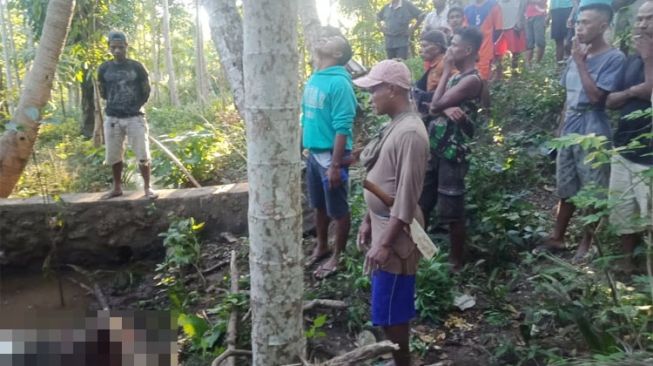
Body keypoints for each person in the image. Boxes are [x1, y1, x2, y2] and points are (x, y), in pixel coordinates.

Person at [354, 59, 429, 366]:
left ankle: (404, 361)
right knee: (385, 307)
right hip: (383, 226)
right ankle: (398, 357)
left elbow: (407, 198)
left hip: (396, 237)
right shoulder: (395, 125)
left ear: (394, 90)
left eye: (375, 90)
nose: (370, 97)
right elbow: (381, 179)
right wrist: (366, 220)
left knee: (391, 308)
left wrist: (385, 243)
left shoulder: (410, 133)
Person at [539, 4, 625, 261]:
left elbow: (598, 97)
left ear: (603, 26)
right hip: (570, 126)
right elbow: (569, 95)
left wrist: (581, 62)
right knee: (566, 186)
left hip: (593, 129)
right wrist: (560, 128)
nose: (579, 27)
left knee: (593, 189)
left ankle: (588, 243)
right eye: (578, 22)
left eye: (586, 22)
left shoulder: (614, 58)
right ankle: (558, 237)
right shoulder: (577, 53)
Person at [419, 28, 485, 271]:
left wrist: (445, 70)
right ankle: (420, 252)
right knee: (423, 201)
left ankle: (456, 262)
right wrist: (442, 106)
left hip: (453, 151)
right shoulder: (457, 78)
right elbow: (434, 106)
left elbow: (435, 104)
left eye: (454, 45)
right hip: (437, 145)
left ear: (467, 50)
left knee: (452, 206)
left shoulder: (471, 80)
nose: (449, 50)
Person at [302, 33, 357, 279]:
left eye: (333, 38)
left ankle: (338, 256)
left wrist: (335, 165)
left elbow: (342, 127)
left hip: (330, 158)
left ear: (338, 55)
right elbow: (307, 116)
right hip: (314, 155)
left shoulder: (340, 83)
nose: (325, 37)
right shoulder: (315, 77)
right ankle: (322, 245)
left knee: (338, 208)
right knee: (318, 205)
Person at [605, 0, 653, 273]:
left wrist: (648, 60)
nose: (642, 24)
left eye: (649, 19)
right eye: (640, 19)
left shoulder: (644, 58)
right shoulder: (632, 59)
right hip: (623, 147)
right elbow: (611, 100)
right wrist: (635, 90)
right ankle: (626, 262)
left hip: (650, 155)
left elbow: (651, 92)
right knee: (623, 210)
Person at [98, 31, 157, 200]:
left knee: (142, 154)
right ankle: (116, 188)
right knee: (114, 155)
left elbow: (146, 90)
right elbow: (103, 92)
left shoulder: (137, 67)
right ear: (109, 47)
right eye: (113, 47)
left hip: (135, 117)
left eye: (120, 47)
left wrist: (135, 106)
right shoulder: (104, 69)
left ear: (126, 47)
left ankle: (147, 188)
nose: (117, 51)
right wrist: (116, 105)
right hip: (113, 118)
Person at [464, 0, 504, 80]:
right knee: (469, 77)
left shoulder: (493, 5)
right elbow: (465, 30)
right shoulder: (467, 9)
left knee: (484, 78)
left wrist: (490, 44)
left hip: (486, 50)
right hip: (470, 51)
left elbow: (498, 29)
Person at [414, 30, 450, 118]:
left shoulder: (444, 64)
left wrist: (445, 107)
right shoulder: (435, 64)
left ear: (437, 47)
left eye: (424, 46)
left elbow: (455, 84)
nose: (421, 50)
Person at [495, 0, 528, 77]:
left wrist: (520, 24)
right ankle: (498, 75)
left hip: (513, 27)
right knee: (497, 53)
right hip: (500, 28)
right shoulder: (496, 2)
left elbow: (523, 11)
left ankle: (514, 72)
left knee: (515, 52)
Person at [524, 0, 548, 66]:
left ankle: (538, 63)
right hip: (528, 16)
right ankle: (528, 64)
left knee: (540, 40)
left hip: (540, 15)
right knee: (529, 42)